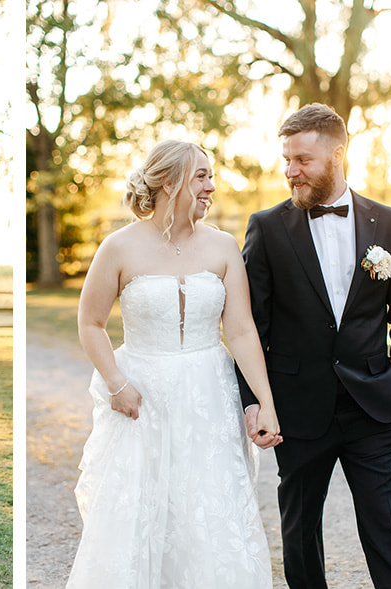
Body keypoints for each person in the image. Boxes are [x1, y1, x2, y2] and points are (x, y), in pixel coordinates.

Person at [68, 139, 282, 588]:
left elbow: (240, 331)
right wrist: (116, 383)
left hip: (210, 397)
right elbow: (90, 323)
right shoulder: (118, 247)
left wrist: (265, 402)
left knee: (208, 511)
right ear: (169, 180)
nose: (211, 186)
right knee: (141, 513)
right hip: (142, 399)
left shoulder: (224, 247)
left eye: (211, 176)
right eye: (201, 176)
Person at [238, 103, 391, 588]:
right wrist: (255, 402)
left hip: (375, 408)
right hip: (298, 413)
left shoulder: (389, 222)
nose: (290, 171)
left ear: (338, 153)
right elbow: (248, 327)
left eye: (302, 160)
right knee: (299, 535)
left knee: (387, 532)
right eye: (286, 159)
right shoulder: (267, 227)